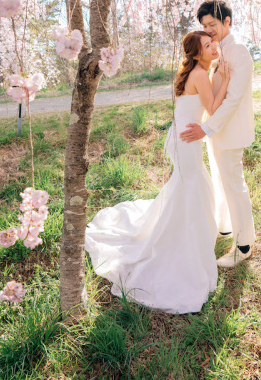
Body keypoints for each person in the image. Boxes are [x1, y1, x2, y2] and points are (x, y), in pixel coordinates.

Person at [85, 31, 230, 314]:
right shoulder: (200, 74)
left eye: (213, 43)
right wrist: (223, 77)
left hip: (183, 138)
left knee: (189, 186)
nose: (214, 47)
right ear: (196, 53)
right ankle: (180, 241)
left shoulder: (200, 71)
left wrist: (216, 71)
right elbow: (213, 107)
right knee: (191, 186)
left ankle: (186, 232)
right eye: (207, 46)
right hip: (187, 141)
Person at [180, 0, 256, 268]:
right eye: (204, 26)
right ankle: (225, 227)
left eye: (213, 24)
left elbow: (233, 99)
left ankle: (244, 244)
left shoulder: (239, 52)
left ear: (227, 22)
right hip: (216, 131)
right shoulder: (217, 52)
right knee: (220, 181)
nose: (208, 30)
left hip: (230, 131)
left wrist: (206, 128)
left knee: (235, 186)